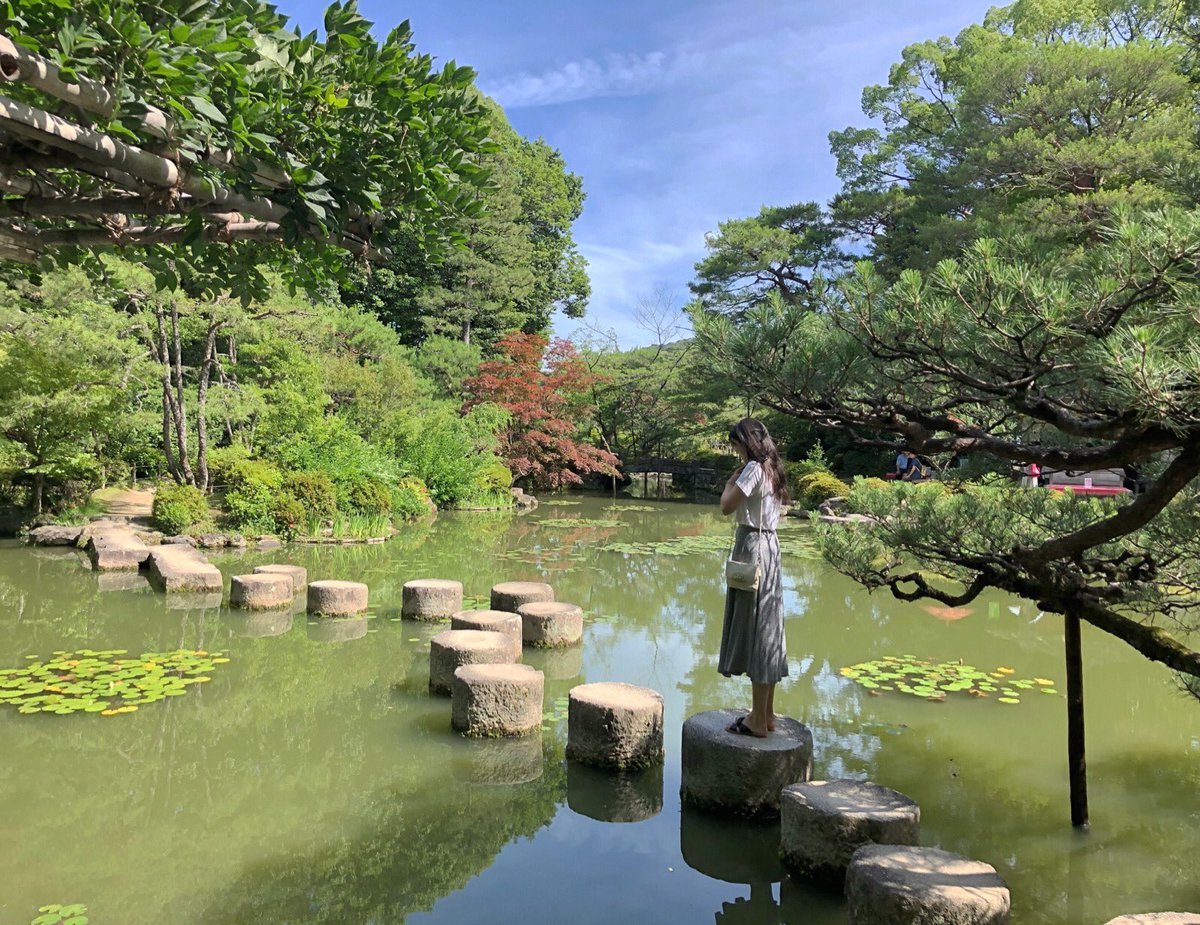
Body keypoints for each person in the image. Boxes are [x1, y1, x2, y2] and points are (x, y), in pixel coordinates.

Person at [719, 417, 791, 738]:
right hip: (771, 548)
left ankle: (757, 722)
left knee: (757, 630)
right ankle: (767, 714)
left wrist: (730, 481)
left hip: (752, 548)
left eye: (736, 444)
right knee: (768, 626)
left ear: (746, 443)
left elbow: (726, 506)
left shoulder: (750, 469)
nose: (735, 451)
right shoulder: (773, 469)